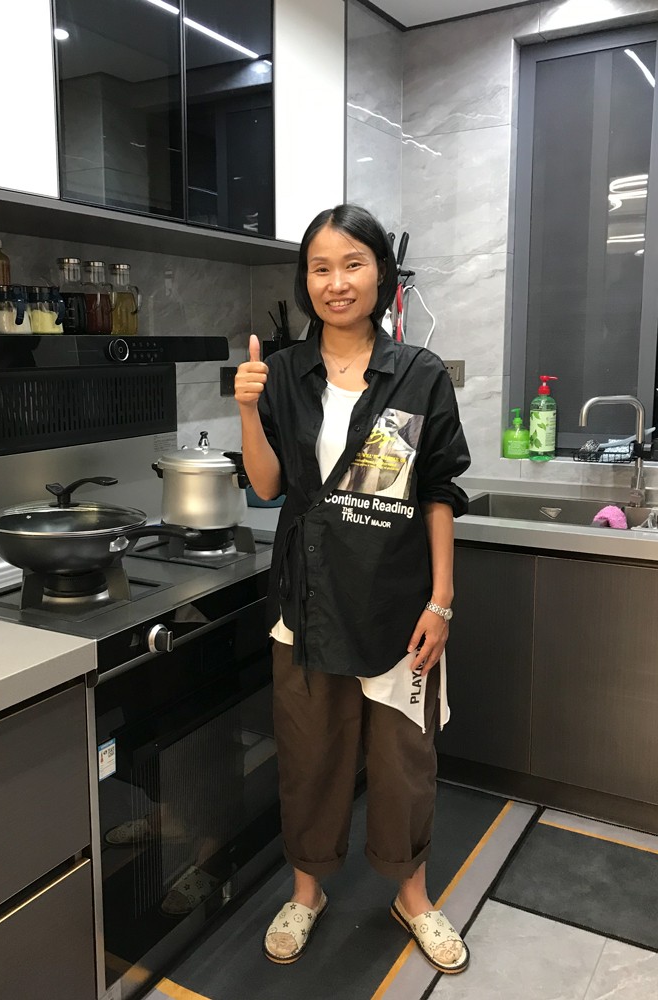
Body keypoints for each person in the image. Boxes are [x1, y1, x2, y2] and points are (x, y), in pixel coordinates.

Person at [234, 204, 471, 975]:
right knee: (311, 758)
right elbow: (267, 486)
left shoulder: (418, 375)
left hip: (398, 608)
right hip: (306, 604)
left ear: (381, 274)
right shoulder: (285, 374)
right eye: (320, 268)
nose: (336, 282)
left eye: (352, 264)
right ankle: (307, 892)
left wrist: (440, 602)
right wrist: (247, 411)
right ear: (306, 280)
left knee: (405, 763)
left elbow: (436, 492)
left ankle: (413, 896)